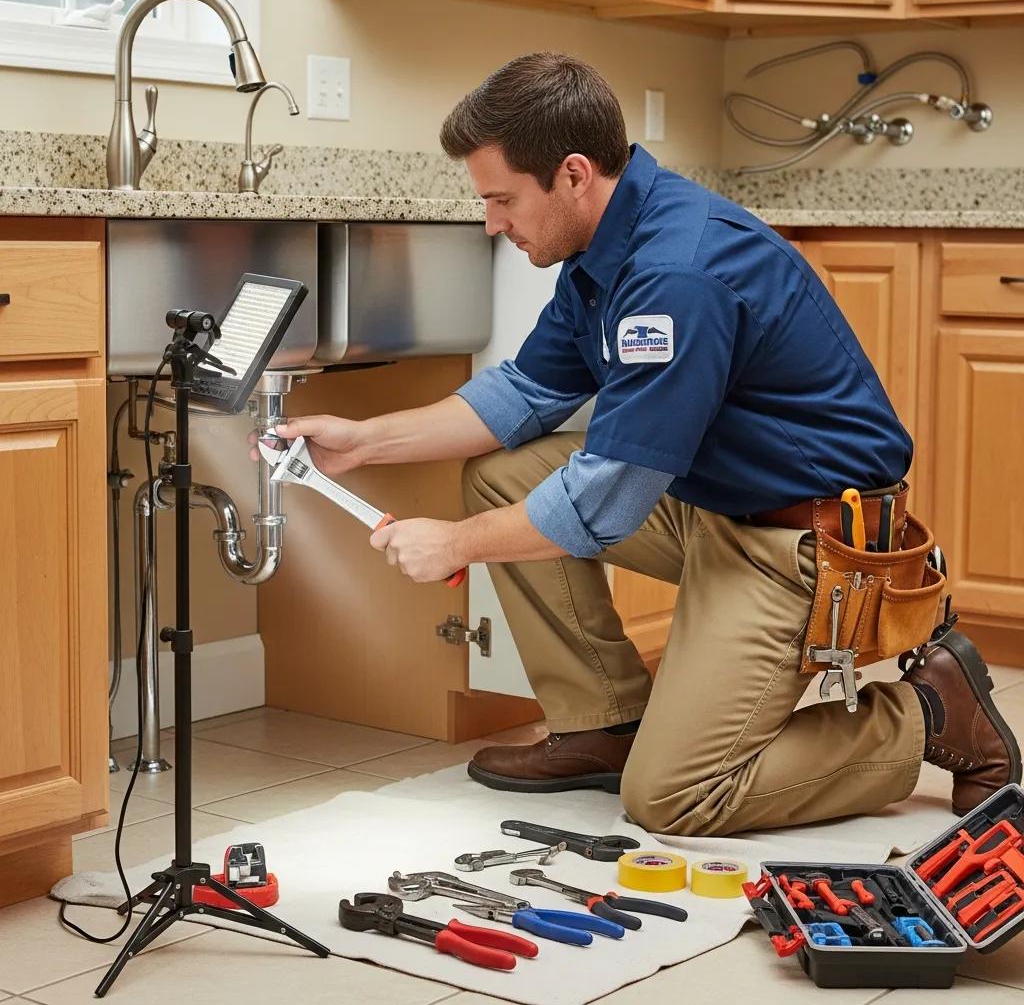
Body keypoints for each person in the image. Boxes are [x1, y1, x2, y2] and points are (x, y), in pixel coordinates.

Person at [252, 52, 1020, 836]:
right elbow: (525, 394)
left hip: (803, 544)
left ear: (574, 174)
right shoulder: (603, 252)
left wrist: (455, 545)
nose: (492, 223)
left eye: (502, 199)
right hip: (715, 504)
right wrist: (363, 441)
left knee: (675, 798)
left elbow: (607, 495)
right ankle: (604, 726)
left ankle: (929, 714)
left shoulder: (675, 275)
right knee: (505, 474)